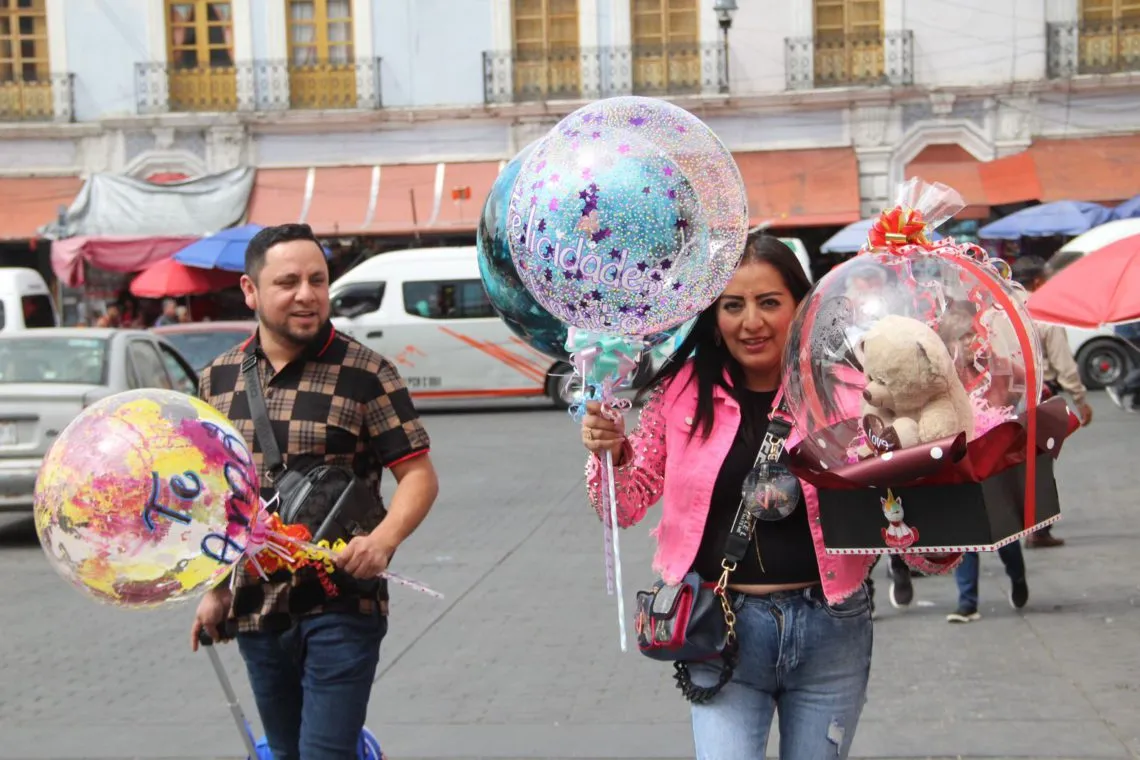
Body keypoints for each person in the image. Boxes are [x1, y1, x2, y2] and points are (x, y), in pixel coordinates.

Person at [579, 234, 960, 759]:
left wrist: (942, 518)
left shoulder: (852, 390)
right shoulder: (682, 392)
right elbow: (622, 505)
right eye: (732, 305)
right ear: (713, 315)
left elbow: (912, 533)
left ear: (802, 307)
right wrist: (613, 455)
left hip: (832, 629)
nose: (750, 322)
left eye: (769, 302)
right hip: (719, 627)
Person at [189, 223, 440, 760]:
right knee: (285, 751)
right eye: (288, 282)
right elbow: (217, 501)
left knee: (324, 752)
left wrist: (384, 540)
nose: (307, 294)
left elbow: (418, 476)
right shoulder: (218, 381)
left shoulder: (366, 372)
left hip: (343, 602)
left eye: (317, 280)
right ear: (251, 291)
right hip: (256, 608)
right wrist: (214, 590)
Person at [1012, 255, 1092, 549]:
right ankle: (1039, 529)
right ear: (1038, 282)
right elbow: (1063, 362)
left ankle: (1018, 522)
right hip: (1041, 396)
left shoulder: (1000, 309)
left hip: (1003, 399)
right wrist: (1080, 400)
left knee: (1013, 462)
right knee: (1041, 463)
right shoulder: (1043, 310)